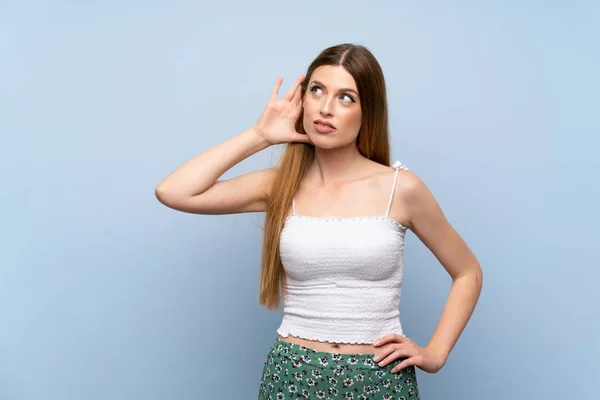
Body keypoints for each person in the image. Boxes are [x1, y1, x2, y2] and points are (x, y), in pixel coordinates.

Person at [155, 43, 483, 399]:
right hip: (292, 374)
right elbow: (174, 191)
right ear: (303, 100)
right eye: (317, 91)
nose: (326, 108)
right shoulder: (279, 186)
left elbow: (468, 272)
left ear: (367, 111)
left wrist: (435, 354)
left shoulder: (400, 189)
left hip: (379, 379)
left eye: (346, 97)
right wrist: (259, 136)